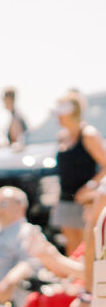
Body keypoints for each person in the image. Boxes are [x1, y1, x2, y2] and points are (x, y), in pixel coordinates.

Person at [52, 91, 106, 254]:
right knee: (72, 251)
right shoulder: (62, 137)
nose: (58, 117)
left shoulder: (88, 134)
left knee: (88, 249)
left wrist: (90, 187)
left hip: (86, 204)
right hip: (66, 200)